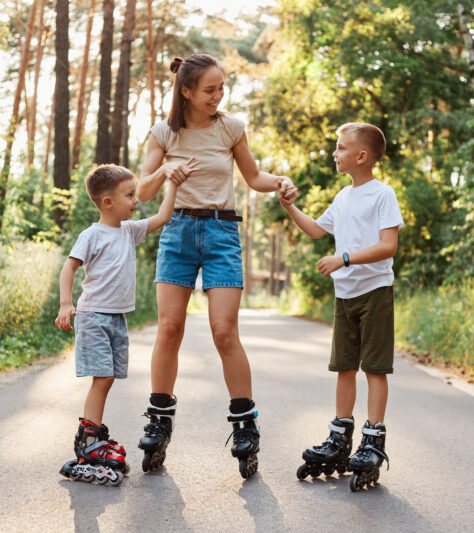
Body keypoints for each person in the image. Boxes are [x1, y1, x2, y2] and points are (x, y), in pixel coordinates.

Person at [135, 53, 296, 478]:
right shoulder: (164, 132)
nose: (218, 96)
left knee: (224, 331)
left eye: (221, 88)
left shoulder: (231, 128)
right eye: (210, 89)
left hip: (222, 232)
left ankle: (245, 425)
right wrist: (168, 168)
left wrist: (280, 182)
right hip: (178, 233)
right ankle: (159, 418)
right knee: (169, 327)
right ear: (186, 91)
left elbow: (254, 177)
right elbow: (141, 190)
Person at [281, 122, 403, 491]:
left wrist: (344, 259)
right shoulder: (343, 196)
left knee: (375, 368)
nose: (335, 153)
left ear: (361, 156)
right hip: (344, 295)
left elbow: (388, 247)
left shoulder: (382, 195)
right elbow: (318, 230)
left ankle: (373, 440)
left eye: (340, 147)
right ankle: (339, 438)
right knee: (344, 368)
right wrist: (290, 206)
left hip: (375, 291)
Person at [55, 164, 182, 485]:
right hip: (93, 316)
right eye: (129, 195)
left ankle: (92, 434)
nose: (136, 200)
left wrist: (173, 184)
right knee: (103, 377)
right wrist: (65, 304)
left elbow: (163, 218)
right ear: (108, 202)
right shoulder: (91, 235)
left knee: (109, 378)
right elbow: (68, 268)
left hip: (117, 318)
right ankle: (88, 438)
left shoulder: (129, 230)